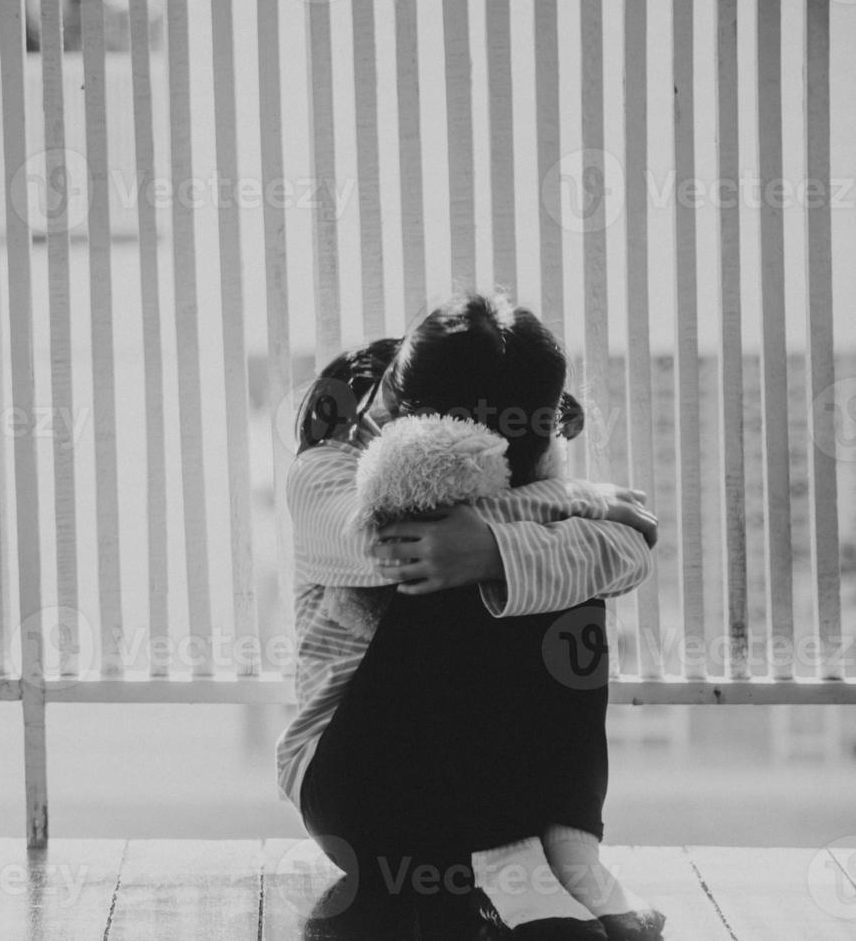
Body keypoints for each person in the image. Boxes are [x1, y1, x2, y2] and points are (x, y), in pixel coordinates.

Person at [279, 294, 666, 939]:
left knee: (556, 574)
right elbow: (405, 545)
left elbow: (627, 550)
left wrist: (499, 542)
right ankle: (507, 866)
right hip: (362, 793)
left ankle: (572, 855)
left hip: (510, 791)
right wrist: (566, 499)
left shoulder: (522, 471)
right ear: (414, 423)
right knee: (444, 576)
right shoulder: (326, 472)